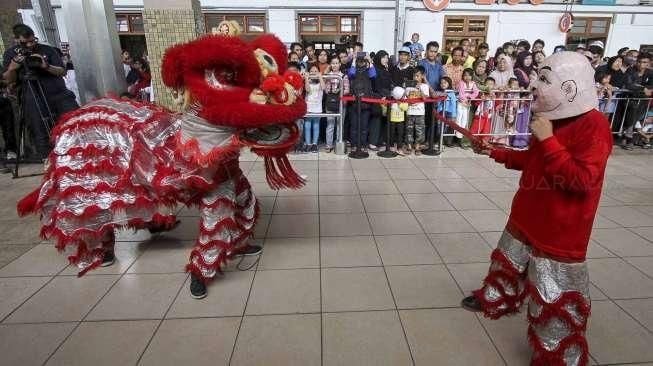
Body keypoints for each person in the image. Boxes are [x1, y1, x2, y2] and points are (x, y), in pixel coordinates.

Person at [463, 51, 613, 366]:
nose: (533, 85)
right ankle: (497, 298)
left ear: (570, 89)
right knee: (509, 260)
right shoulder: (550, 119)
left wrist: (547, 139)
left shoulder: (595, 126)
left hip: (561, 227)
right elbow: (535, 161)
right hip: (527, 211)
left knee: (554, 291)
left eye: (543, 79)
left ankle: (558, 355)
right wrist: (497, 152)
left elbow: (581, 180)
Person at [2, 23, 79, 160]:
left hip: (58, 92)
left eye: (33, 40)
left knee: (73, 122)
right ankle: (48, 159)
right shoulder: (10, 54)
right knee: (39, 129)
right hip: (31, 95)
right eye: (26, 42)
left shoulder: (47, 50)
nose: (31, 45)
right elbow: (8, 81)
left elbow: (62, 71)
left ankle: (77, 153)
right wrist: (13, 67)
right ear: (17, 40)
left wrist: (46, 66)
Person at [620, 53, 653, 150]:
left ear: (649, 63)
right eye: (639, 62)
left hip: (644, 101)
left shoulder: (650, 73)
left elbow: (651, 86)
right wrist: (643, 88)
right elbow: (629, 85)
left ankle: (636, 139)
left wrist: (645, 89)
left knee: (640, 118)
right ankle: (628, 138)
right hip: (630, 99)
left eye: (644, 62)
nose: (641, 64)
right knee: (632, 113)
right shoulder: (630, 70)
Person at [348, 52, 377, 151]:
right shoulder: (353, 70)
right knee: (354, 126)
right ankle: (354, 145)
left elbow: (373, 75)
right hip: (354, 103)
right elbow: (351, 74)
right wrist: (354, 59)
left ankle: (363, 145)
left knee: (364, 126)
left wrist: (369, 60)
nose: (361, 62)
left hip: (366, 103)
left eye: (362, 60)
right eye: (359, 61)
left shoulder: (368, 71)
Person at [324, 56, 350, 152]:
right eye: (333, 63)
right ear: (331, 64)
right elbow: (326, 90)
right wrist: (330, 89)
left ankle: (338, 142)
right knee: (330, 124)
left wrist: (339, 90)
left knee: (340, 125)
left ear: (340, 64)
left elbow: (347, 90)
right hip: (330, 103)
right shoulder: (327, 75)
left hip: (341, 103)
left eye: (336, 63)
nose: (335, 65)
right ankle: (328, 145)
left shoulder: (344, 76)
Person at [404, 66, 431, 155]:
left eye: (418, 76)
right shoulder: (409, 87)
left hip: (420, 112)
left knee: (420, 130)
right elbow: (405, 98)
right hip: (410, 111)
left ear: (422, 76)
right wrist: (404, 88)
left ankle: (417, 146)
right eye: (414, 76)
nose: (415, 78)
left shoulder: (424, 86)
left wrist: (419, 90)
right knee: (409, 129)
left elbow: (425, 99)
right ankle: (409, 146)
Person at [455, 68, 480, 147]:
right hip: (460, 102)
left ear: (472, 76)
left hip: (467, 103)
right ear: (463, 76)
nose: (467, 77)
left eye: (469, 75)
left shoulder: (473, 83)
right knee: (459, 116)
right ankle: (457, 131)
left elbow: (476, 92)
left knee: (465, 117)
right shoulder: (461, 83)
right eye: (465, 75)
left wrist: (470, 97)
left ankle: (462, 132)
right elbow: (461, 93)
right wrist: (465, 100)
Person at [304, 64, 324, 153]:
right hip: (308, 108)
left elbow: (323, 87)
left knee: (316, 126)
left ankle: (315, 144)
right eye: (312, 71)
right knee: (307, 125)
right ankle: (308, 144)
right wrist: (306, 79)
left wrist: (320, 77)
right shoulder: (308, 81)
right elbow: (307, 90)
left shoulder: (320, 82)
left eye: (316, 71)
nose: (314, 73)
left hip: (318, 108)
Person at [387, 86, 408, 152]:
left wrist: (400, 104)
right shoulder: (391, 100)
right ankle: (391, 145)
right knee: (392, 133)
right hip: (392, 119)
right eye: (402, 95)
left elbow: (405, 108)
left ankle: (399, 146)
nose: (403, 96)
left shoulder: (404, 99)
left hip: (400, 120)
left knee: (400, 133)